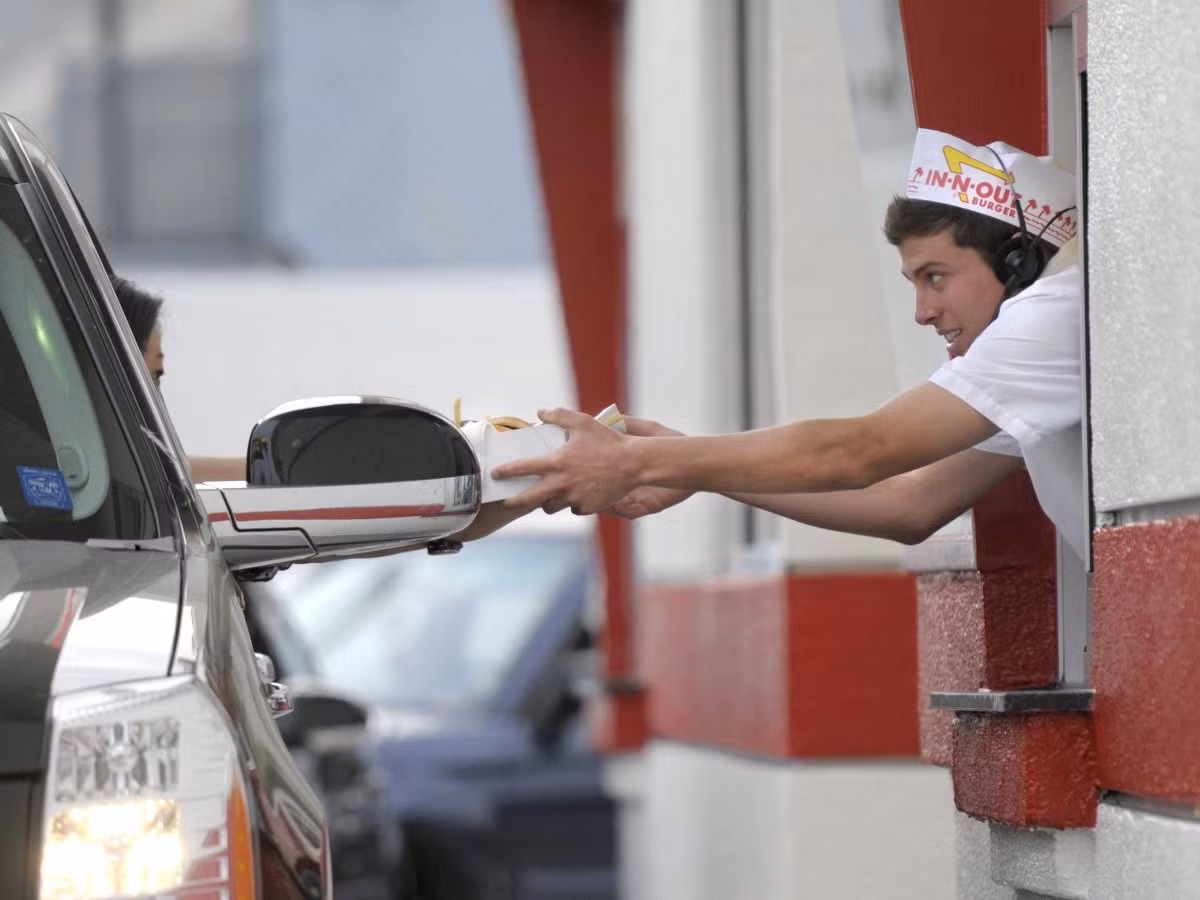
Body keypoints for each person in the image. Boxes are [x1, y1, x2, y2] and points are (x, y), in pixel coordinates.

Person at [493, 128, 1087, 559]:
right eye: (912, 283)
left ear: (1019, 260)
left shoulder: (1050, 315)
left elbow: (859, 451)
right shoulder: (1031, 346)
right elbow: (909, 505)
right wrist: (691, 466)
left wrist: (636, 460)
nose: (922, 312)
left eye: (936, 276)